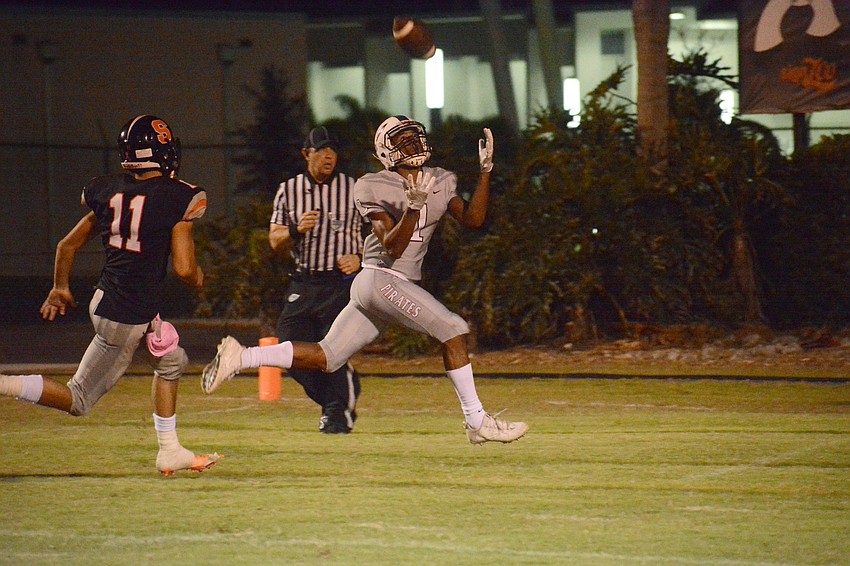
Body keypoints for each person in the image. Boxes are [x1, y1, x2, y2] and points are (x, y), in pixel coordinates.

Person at [203, 115, 528, 444]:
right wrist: (412, 209)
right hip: (382, 278)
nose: (413, 144)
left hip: (382, 286)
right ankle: (476, 421)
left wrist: (485, 173)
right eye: (403, 141)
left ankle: (241, 356)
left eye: (414, 137)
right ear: (387, 151)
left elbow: (473, 219)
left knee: (328, 356)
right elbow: (392, 246)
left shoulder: (440, 179)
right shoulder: (372, 185)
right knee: (454, 330)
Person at [0, 115, 221, 475]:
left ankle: (170, 450)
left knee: (171, 362)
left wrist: (60, 287)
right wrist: (198, 278)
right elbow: (184, 268)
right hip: (125, 316)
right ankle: (4, 384)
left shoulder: (108, 190)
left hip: (112, 301)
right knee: (78, 399)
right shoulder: (179, 196)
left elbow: (66, 245)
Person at [269, 126, 363, 434]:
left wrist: (361, 258)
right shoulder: (289, 189)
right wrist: (295, 230)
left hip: (339, 284)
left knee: (331, 351)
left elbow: (382, 233)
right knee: (289, 351)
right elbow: (274, 239)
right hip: (303, 282)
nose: (328, 156)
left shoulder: (354, 188)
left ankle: (336, 414)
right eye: (321, 150)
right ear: (306, 154)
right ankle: (342, 394)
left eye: (332, 150)